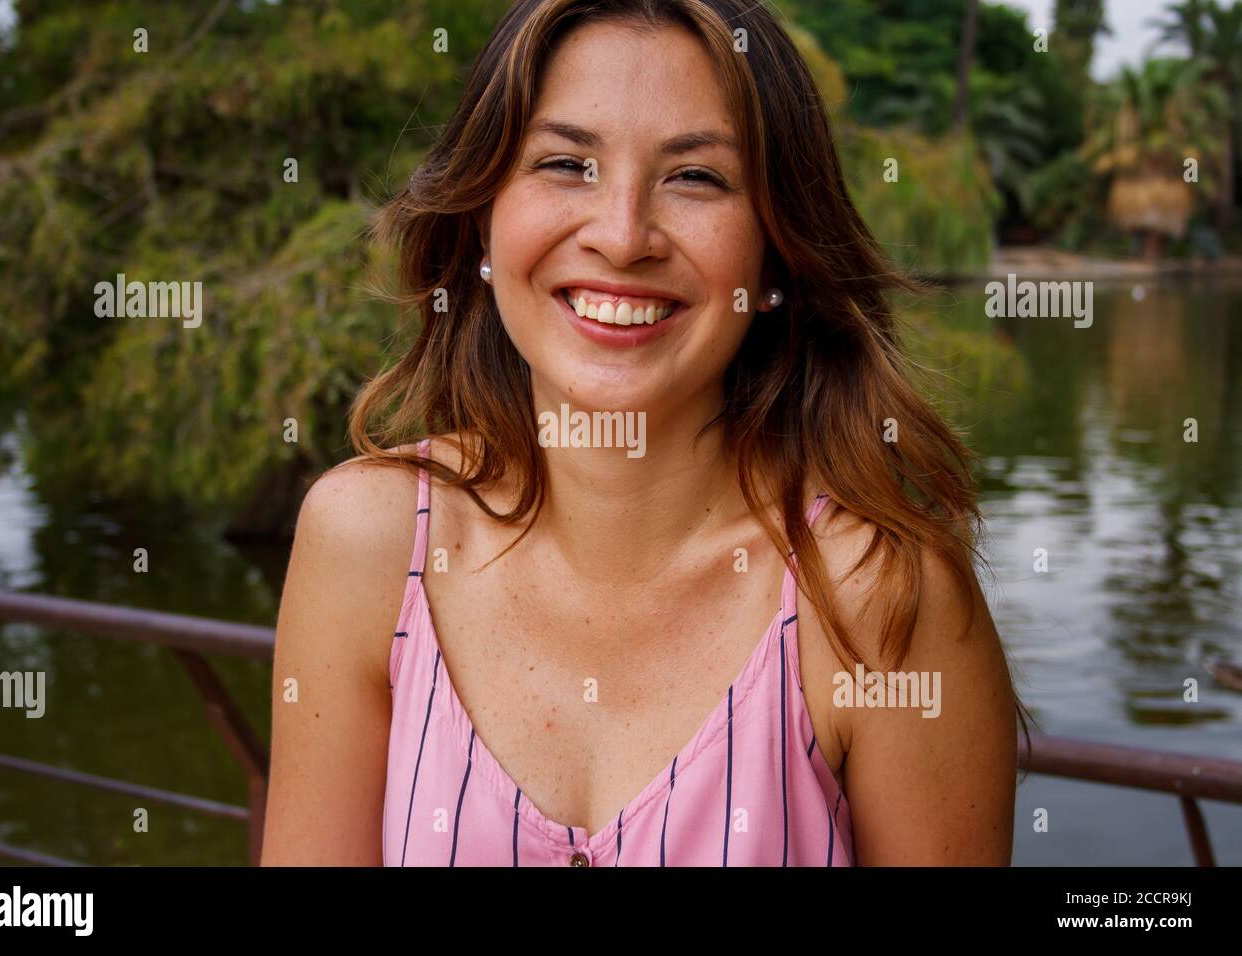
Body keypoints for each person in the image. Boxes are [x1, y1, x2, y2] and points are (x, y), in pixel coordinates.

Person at [261, 0, 1022, 867]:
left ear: (777, 252)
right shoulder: (367, 540)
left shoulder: (879, 598)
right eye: (565, 163)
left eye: (696, 177)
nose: (622, 237)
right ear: (481, 218)